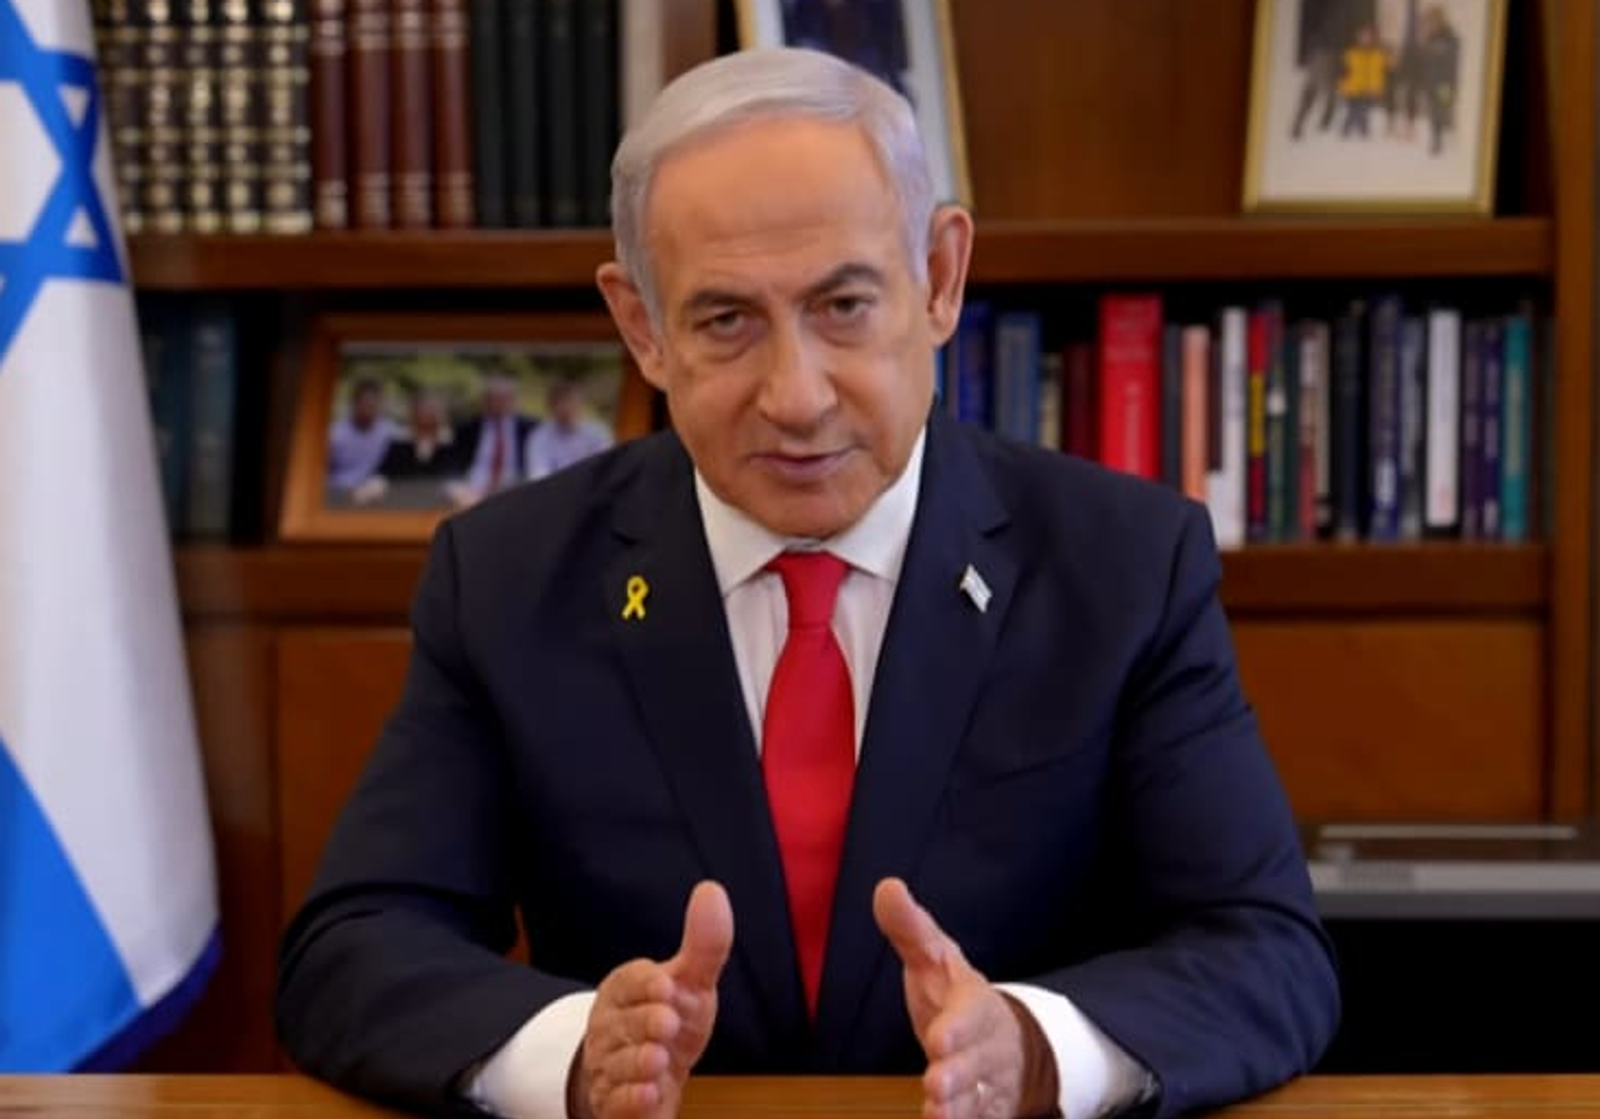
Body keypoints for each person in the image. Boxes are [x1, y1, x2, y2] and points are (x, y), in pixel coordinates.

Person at [276, 46, 1340, 1119]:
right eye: (726, 321)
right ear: (642, 327)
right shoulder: (509, 579)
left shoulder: (1121, 566)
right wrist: (577, 1051)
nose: (796, 397)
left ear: (939, 278)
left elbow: (1264, 953)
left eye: (842, 305)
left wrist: (1034, 1048)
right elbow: (354, 950)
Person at [452, 371, 538, 505]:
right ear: (484, 400)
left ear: (513, 399)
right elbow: (453, 466)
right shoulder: (466, 429)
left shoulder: (530, 428)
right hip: (473, 490)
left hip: (516, 488)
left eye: (504, 398)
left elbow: (536, 468)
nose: (498, 403)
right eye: (493, 398)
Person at [524, 377, 614, 480]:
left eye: (571, 402)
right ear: (550, 407)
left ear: (580, 404)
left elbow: (606, 469)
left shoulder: (598, 432)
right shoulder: (539, 436)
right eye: (561, 403)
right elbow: (538, 474)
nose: (566, 408)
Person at [325, 377, 395, 494]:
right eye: (366, 404)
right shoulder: (335, 434)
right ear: (355, 403)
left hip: (374, 494)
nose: (370, 409)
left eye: (374, 404)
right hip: (337, 492)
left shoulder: (388, 433)